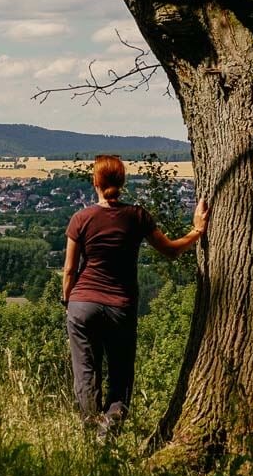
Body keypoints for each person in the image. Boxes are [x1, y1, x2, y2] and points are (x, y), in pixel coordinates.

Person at [61, 154, 210, 437]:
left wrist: (68, 301)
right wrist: (197, 231)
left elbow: (69, 271)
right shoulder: (137, 216)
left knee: (85, 373)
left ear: (95, 181)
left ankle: (90, 436)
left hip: (81, 305)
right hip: (120, 307)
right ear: (123, 182)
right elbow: (171, 250)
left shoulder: (80, 219)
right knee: (121, 378)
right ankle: (107, 435)